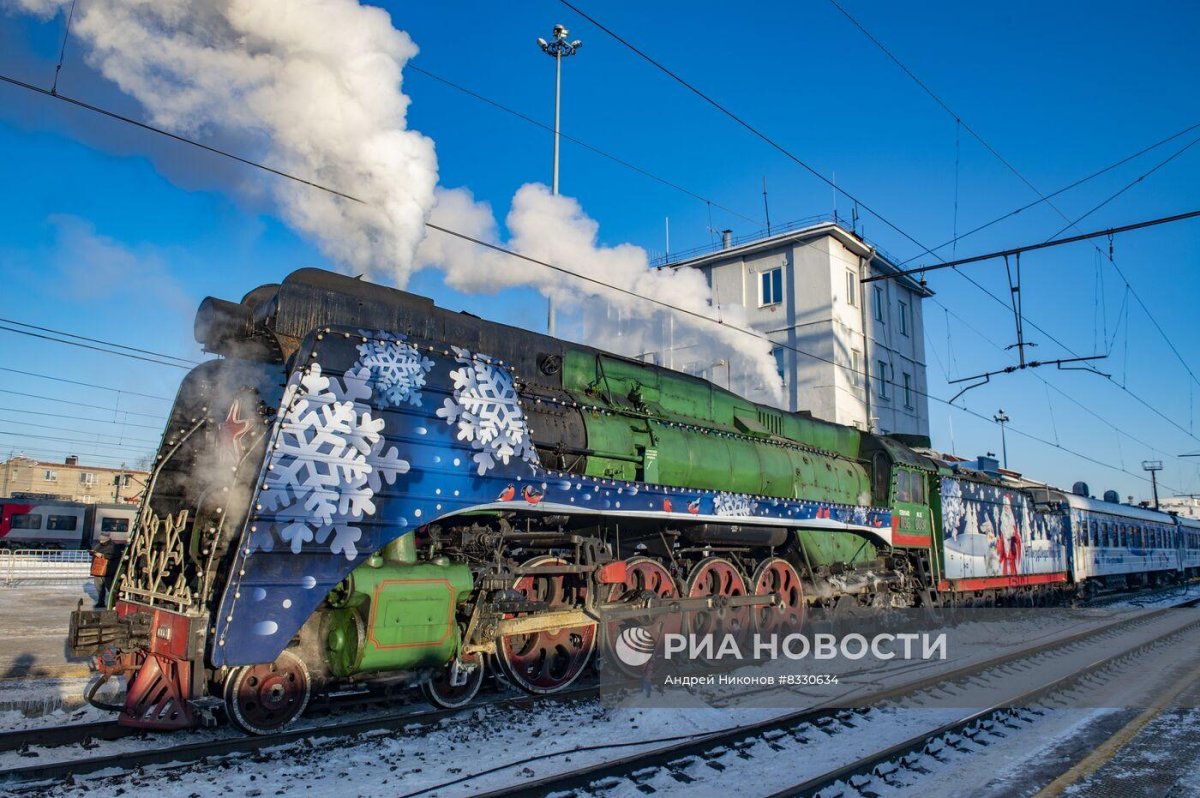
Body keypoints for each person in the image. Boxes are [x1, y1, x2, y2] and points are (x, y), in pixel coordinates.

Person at [90, 533, 117, 608]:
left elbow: (114, 556)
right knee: (98, 587)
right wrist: (92, 552)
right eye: (100, 539)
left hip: (108, 570)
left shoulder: (113, 546)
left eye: (102, 540)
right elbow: (95, 553)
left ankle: (114, 602)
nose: (100, 541)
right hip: (97, 570)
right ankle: (101, 602)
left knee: (110, 587)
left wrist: (103, 555)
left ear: (106, 539)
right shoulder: (98, 545)